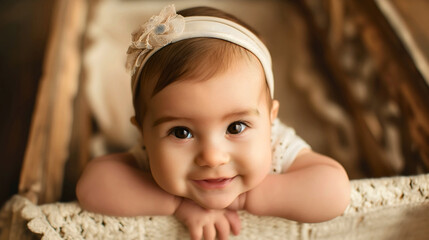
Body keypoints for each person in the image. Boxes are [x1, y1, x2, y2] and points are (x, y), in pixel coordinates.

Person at [76, 5, 350, 240]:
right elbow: (92, 188)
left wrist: (245, 199)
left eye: (236, 127)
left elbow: (334, 192)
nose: (212, 156)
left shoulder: (276, 144)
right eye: (181, 132)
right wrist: (177, 204)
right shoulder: (153, 154)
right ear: (144, 133)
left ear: (270, 119)